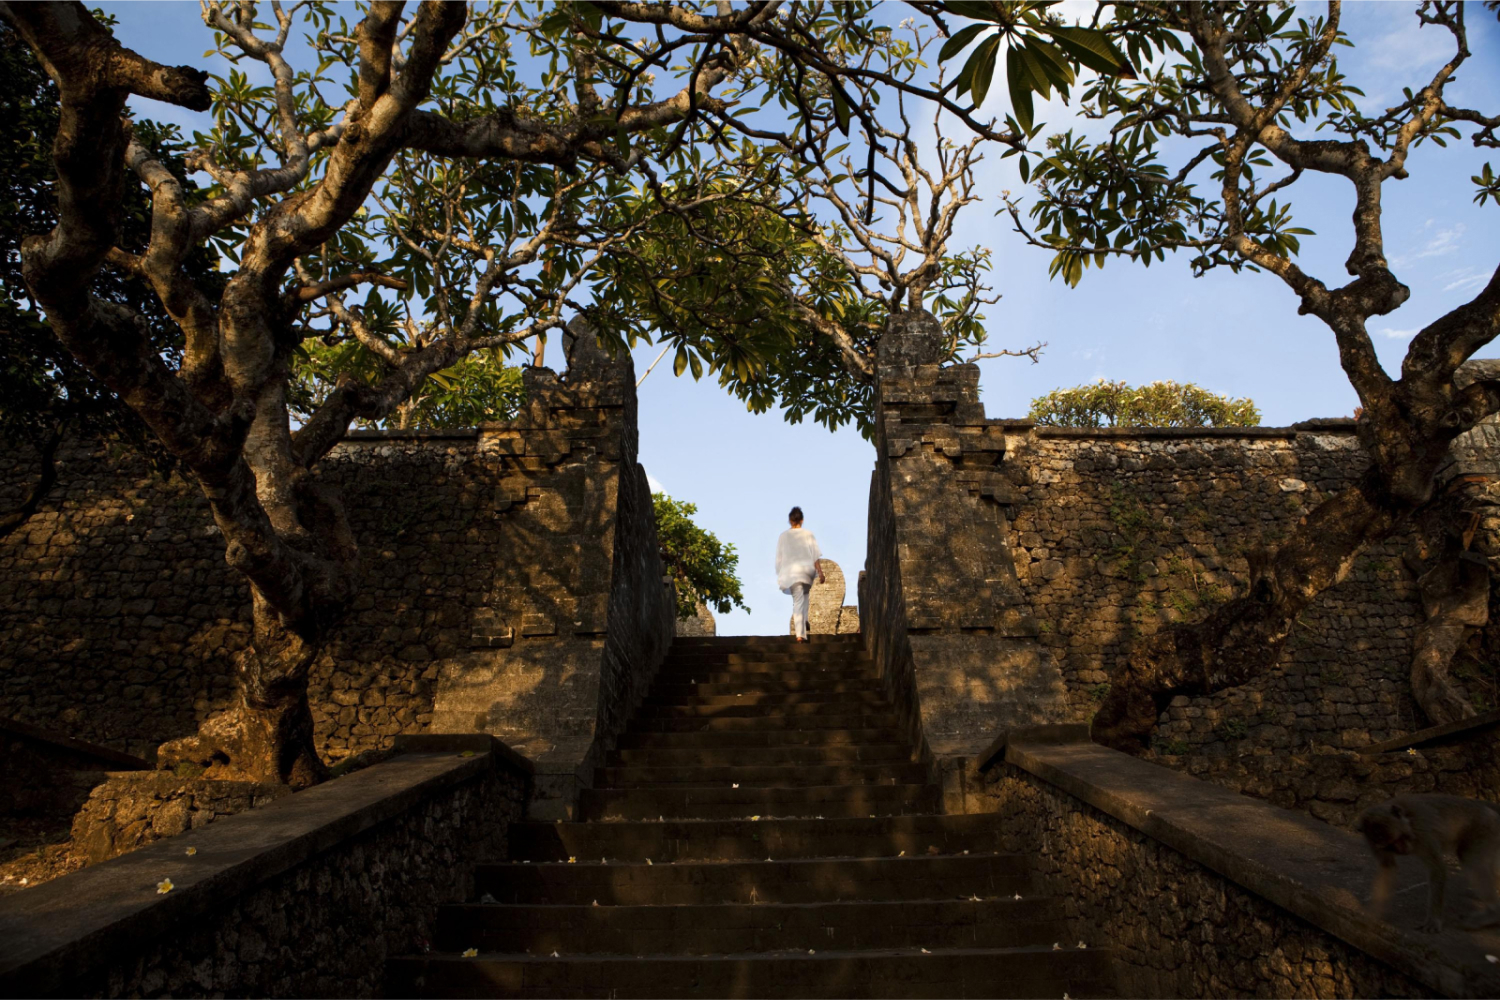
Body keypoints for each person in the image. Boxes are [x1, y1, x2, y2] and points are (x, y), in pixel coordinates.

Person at [775, 506, 825, 642]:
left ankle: (800, 634)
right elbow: (815, 555)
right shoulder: (808, 534)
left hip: (791, 572)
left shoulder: (783, 536)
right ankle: (805, 619)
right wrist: (820, 572)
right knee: (805, 596)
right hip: (807, 571)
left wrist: (780, 573)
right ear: (802, 520)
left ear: (790, 521)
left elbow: (779, 559)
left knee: (797, 601)